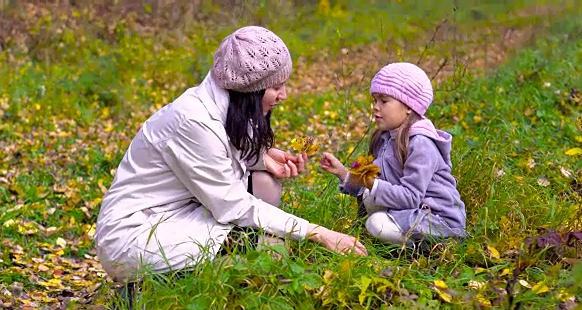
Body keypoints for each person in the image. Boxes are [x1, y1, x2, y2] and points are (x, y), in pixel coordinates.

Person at [94, 26, 367, 283]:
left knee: (264, 185)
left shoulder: (228, 102)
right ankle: (148, 291)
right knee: (272, 251)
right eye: (276, 86)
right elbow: (232, 204)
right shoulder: (193, 121)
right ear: (252, 89)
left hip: (181, 208)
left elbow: (222, 158)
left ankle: (200, 272)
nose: (283, 95)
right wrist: (317, 232)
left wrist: (262, 158)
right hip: (137, 232)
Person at [320, 62, 467, 251]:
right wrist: (344, 174)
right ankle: (401, 241)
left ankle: (435, 248)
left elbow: (410, 197)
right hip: (412, 213)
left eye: (384, 101)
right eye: (374, 100)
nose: (375, 107)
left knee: (376, 223)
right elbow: (376, 183)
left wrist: (371, 183)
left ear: (408, 106)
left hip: (439, 221)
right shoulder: (386, 138)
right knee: (370, 200)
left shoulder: (421, 144)